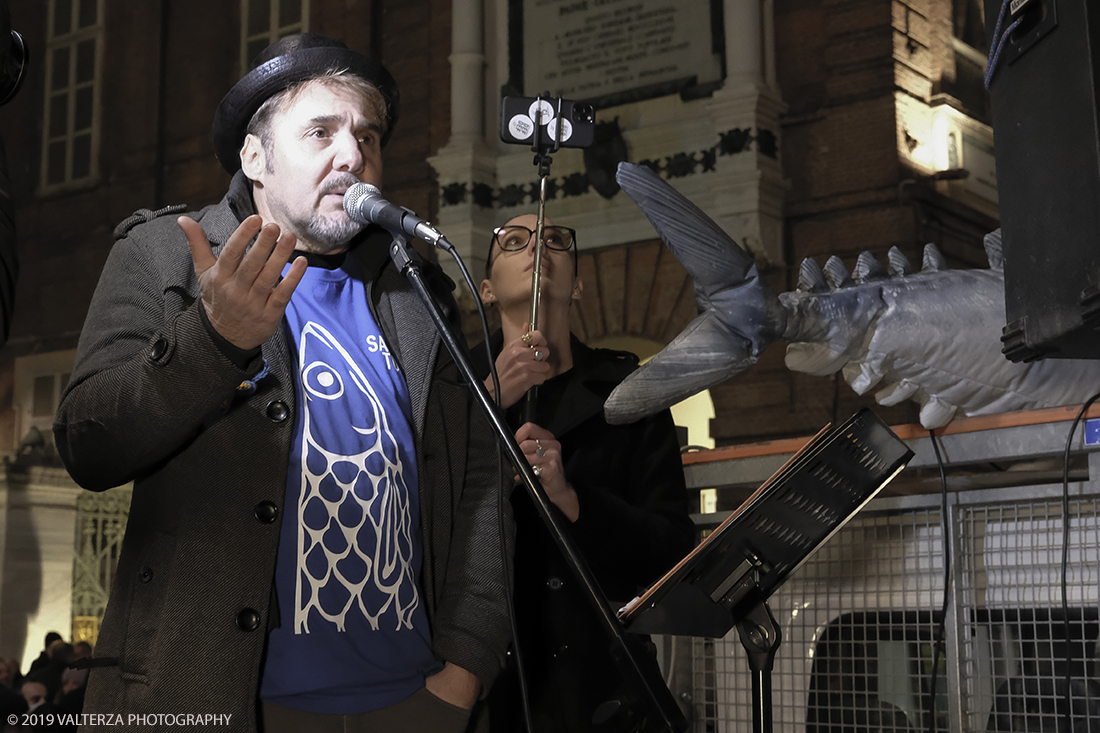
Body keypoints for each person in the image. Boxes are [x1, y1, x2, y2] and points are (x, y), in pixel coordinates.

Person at [53, 33, 510, 733]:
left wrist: (466, 664)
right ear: (256, 156)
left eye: (368, 136)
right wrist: (212, 341)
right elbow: (89, 442)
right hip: (223, 694)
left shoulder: (418, 291)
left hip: (416, 698)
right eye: (321, 130)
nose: (353, 155)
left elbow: (480, 478)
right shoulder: (162, 253)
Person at [474, 214, 695, 731]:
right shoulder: (453, 392)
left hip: (606, 688)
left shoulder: (630, 393)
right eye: (514, 242)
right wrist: (485, 403)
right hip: (489, 690)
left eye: (555, 240)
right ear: (486, 289)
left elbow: (672, 552)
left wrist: (572, 500)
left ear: (576, 286)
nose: (538, 247)